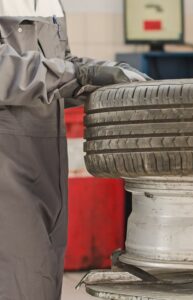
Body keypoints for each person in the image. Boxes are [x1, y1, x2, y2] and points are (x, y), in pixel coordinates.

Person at [0, 1, 149, 299]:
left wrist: (101, 75)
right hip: (7, 164)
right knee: (15, 278)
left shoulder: (51, 3)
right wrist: (80, 75)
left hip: (45, 167)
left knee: (41, 275)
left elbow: (55, 66)